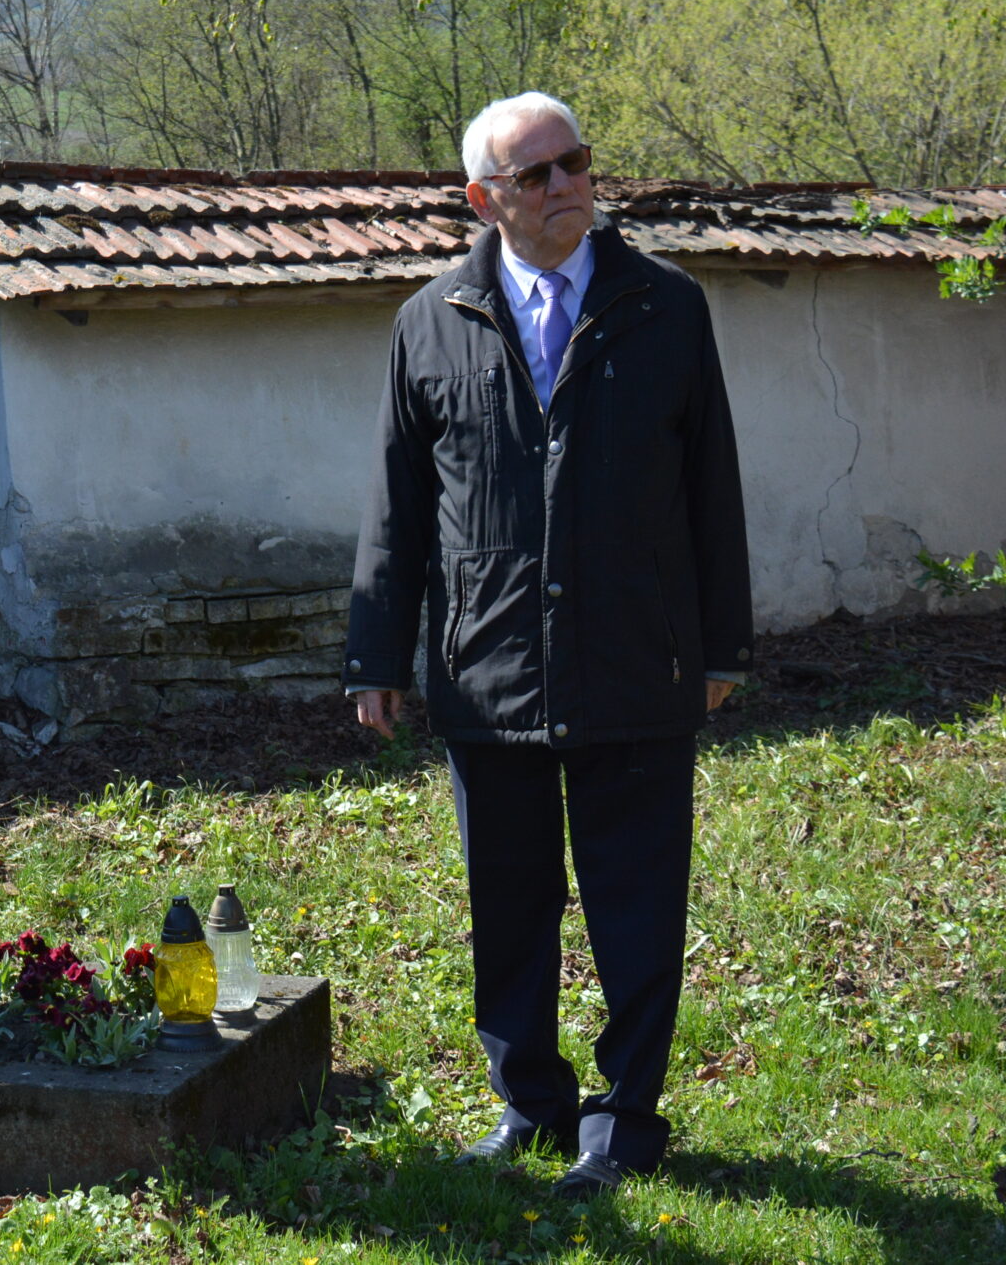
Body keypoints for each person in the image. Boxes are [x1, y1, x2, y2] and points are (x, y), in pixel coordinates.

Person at [345, 91, 751, 1199]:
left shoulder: (666, 305)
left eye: (576, 161)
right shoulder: (431, 321)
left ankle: (623, 1122)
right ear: (486, 200)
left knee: (637, 902)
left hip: (638, 658)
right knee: (508, 902)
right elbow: (397, 502)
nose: (568, 184)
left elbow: (711, 484)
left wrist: (722, 645)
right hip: (489, 665)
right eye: (538, 174)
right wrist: (376, 655)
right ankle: (529, 1101)